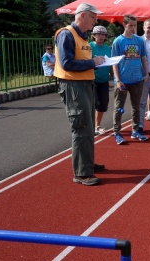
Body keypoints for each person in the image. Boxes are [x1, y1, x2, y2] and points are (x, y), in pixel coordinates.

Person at [54, 2, 106, 186]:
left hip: (84, 85)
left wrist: (95, 62)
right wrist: (93, 62)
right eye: (93, 17)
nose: (95, 21)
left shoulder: (81, 37)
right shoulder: (66, 34)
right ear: (83, 15)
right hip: (73, 87)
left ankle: (87, 163)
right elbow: (67, 63)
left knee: (88, 126)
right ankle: (82, 173)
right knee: (81, 127)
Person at [112, 14, 149, 145]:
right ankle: (116, 132)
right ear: (124, 25)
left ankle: (135, 130)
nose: (133, 28)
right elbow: (114, 63)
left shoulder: (139, 41)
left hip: (137, 79)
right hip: (122, 81)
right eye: (131, 25)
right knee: (119, 108)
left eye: (135, 25)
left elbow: (143, 57)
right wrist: (118, 80)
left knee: (136, 107)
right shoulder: (118, 41)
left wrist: (146, 73)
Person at [89, 25, 112, 135]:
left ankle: (97, 125)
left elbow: (111, 63)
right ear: (93, 35)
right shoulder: (89, 47)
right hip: (92, 80)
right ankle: (90, 126)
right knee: (93, 103)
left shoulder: (107, 48)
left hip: (104, 79)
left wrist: (115, 76)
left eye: (103, 34)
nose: (101, 36)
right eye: (99, 34)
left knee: (103, 103)